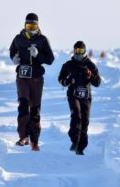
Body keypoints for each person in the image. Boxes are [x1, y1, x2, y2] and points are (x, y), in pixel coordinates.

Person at [9, 13, 55, 151]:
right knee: (23, 105)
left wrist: (38, 55)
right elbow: (12, 51)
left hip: (36, 79)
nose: (31, 28)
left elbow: (50, 59)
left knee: (34, 109)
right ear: (25, 25)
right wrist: (14, 58)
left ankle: (34, 141)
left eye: (33, 26)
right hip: (22, 77)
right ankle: (23, 137)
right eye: (28, 26)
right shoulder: (18, 38)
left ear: (37, 25)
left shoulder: (42, 40)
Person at [58, 41, 101, 155]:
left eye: (81, 51)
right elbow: (60, 79)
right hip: (73, 95)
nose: (79, 53)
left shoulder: (90, 65)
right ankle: (75, 141)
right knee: (76, 115)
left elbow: (97, 83)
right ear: (74, 51)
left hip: (86, 97)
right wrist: (67, 81)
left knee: (85, 120)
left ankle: (80, 148)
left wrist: (90, 75)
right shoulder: (68, 65)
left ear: (85, 51)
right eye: (77, 51)